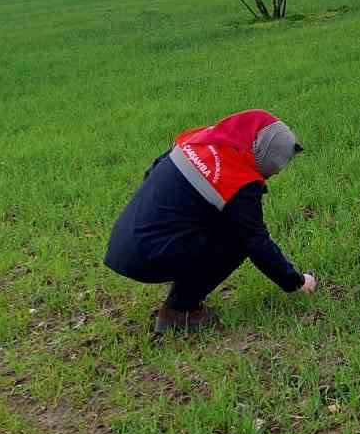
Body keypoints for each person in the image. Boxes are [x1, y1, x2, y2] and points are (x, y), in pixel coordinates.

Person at [105, 109, 318, 334]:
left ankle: (180, 291)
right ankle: (179, 311)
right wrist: (296, 282)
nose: (273, 173)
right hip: (147, 257)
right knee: (236, 239)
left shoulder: (197, 141)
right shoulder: (240, 178)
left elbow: (151, 173)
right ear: (261, 153)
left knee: (220, 223)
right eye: (273, 165)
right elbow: (256, 242)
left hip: (122, 242)